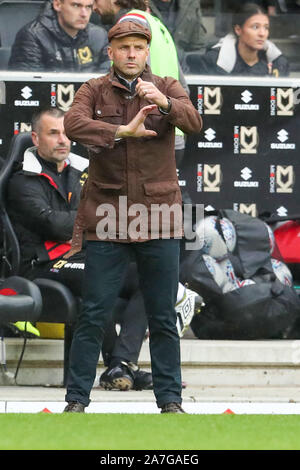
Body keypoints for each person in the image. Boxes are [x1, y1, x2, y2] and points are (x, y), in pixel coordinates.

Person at [62, 19, 203, 413]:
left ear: (146, 52)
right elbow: (72, 124)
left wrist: (164, 102)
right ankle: (76, 401)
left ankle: (171, 402)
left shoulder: (167, 87)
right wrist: (121, 131)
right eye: (123, 47)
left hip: (159, 213)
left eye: (138, 47)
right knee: (94, 313)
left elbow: (194, 123)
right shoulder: (93, 89)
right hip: (109, 211)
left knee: (162, 316)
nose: (131, 54)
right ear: (111, 52)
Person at [6, 107, 152, 391]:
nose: (63, 140)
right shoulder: (21, 181)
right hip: (42, 266)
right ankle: (117, 367)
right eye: (53, 133)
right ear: (35, 139)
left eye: (66, 133)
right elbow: (56, 225)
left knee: (152, 274)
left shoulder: (83, 172)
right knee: (100, 275)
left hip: (83, 257)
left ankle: (121, 364)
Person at [8, 0, 110, 72]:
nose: (84, 14)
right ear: (57, 4)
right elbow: (29, 87)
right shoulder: (33, 36)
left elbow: (107, 82)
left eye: (88, 7)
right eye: (76, 5)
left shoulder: (99, 36)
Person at [198, 3, 289, 76]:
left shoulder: (278, 63)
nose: (262, 33)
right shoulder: (215, 60)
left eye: (266, 28)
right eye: (255, 27)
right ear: (238, 30)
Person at [148, 0, 207, 67]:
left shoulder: (190, 3)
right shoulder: (139, 4)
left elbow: (198, 47)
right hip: (150, 70)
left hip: (185, 71)